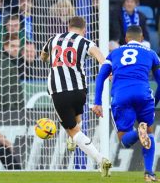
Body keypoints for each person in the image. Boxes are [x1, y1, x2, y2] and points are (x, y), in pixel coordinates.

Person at [40, 16, 112, 177]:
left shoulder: (53, 39)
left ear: (68, 27)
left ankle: (101, 160)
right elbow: (103, 60)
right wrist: (110, 72)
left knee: (72, 130)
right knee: (76, 122)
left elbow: (43, 56)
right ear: (84, 29)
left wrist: (49, 60)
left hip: (59, 91)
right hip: (80, 91)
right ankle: (73, 140)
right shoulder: (86, 42)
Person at [94, 25, 160, 182]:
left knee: (124, 139)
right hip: (144, 94)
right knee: (148, 133)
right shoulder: (151, 53)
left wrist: (97, 102)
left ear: (125, 39)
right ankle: (149, 173)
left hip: (121, 95)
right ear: (142, 38)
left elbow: (101, 77)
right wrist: (154, 101)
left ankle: (138, 132)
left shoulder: (114, 53)